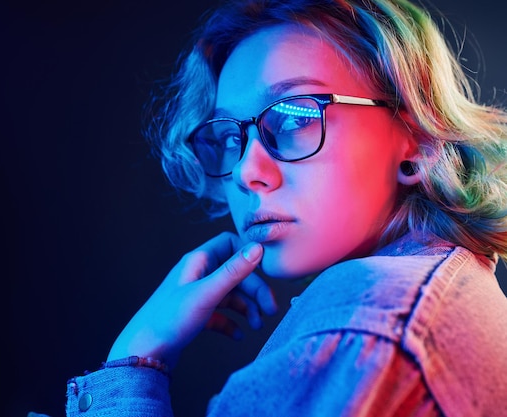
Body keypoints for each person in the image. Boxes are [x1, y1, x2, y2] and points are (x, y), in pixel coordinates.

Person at [65, 0, 507, 415]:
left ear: (418, 140)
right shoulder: (442, 288)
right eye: (229, 136)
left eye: (295, 116)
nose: (244, 172)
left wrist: (133, 361)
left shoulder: (361, 327)